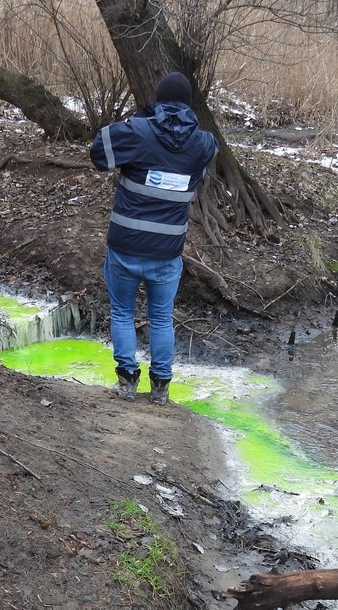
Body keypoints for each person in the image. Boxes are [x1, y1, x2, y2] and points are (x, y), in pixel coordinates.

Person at [90, 72, 218, 404]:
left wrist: (138, 120)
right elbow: (205, 157)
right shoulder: (203, 143)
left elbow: (98, 152)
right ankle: (160, 389)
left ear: (158, 101)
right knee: (161, 317)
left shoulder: (139, 131)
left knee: (122, 312)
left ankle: (127, 383)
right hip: (166, 253)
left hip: (125, 248)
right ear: (189, 106)